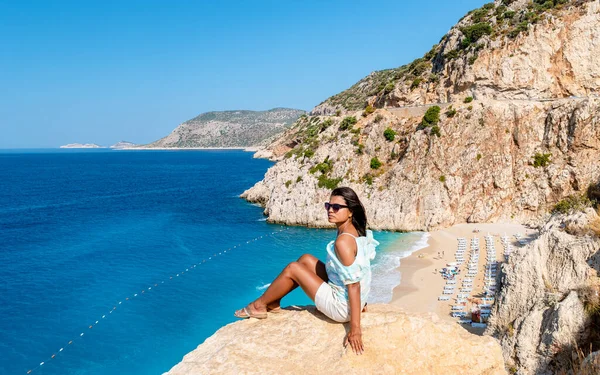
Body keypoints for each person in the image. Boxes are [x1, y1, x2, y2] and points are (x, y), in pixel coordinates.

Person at [234, 186, 378, 355]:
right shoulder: (354, 232)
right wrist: (362, 302)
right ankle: (272, 302)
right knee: (306, 260)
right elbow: (362, 271)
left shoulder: (343, 242)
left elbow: (354, 285)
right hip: (349, 298)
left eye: (336, 207)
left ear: (350, 212)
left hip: (341, 308)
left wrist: (355, 329)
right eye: (328, 206)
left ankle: (258, 306)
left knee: (293, 268)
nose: (330, 210)